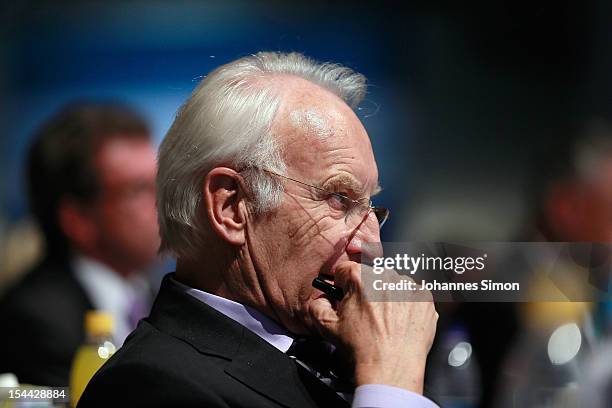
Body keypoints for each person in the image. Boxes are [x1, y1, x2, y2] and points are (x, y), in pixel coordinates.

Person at [79, 52, 439, 407]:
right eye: (338, 199)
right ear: (232, 206)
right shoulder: (149, 388)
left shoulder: (344, 352)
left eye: (372, 208)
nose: (371, 245)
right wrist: (392, 382)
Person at [0, 103, 160, 386]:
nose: (163, 201)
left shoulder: (154, 294)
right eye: (139, 189)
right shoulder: (33, 322)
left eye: (160, 182)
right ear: (78, 220)